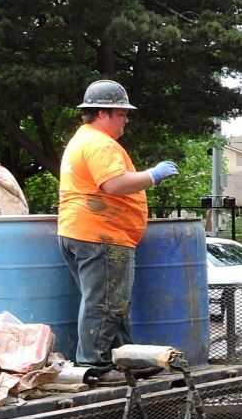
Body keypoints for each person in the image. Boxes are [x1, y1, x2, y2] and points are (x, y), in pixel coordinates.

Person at [56, 80, 177, 371]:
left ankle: (125, 360)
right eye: (121, 113)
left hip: (82, 231)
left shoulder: (82, 139)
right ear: (102, 113)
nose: (126, 119)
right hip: (102, 235)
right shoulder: (99, 143)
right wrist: (152, 175)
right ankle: (94, 366)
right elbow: (113, 184)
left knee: (112, 303)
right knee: (106, 304)